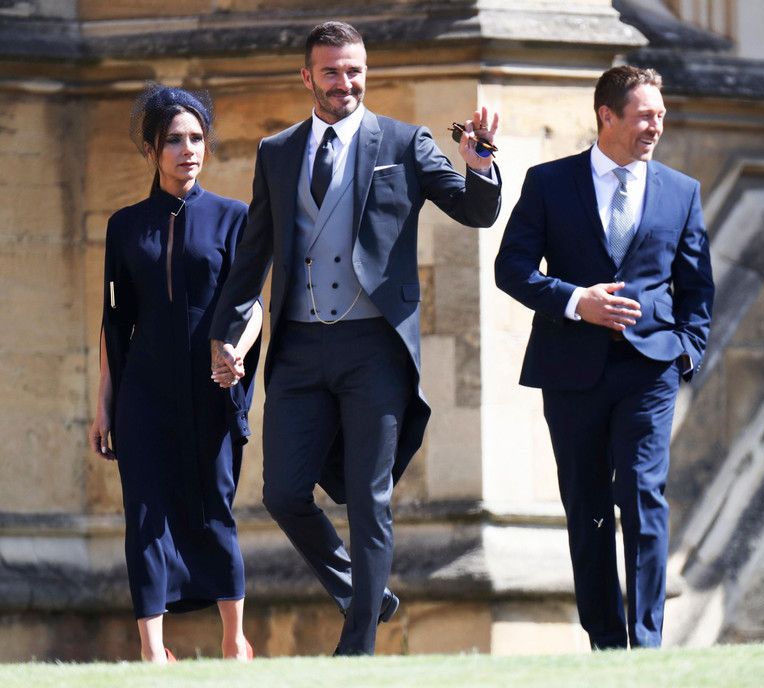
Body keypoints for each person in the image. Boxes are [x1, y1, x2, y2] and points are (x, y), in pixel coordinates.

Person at [208, 21, 501, 656]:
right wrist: (226, 334)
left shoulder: (404, 142)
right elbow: (253, 253)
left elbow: (475, 211)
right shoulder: (276, 151)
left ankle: (359, 645)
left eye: (355, 70)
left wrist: (480, 165)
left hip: (375, 348)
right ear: (307, 77)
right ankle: (364, 593)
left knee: (370, 499)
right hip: (297, 348)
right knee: (284, 493)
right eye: (333, 72)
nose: (346, 82)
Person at [494, 65, 713, 649]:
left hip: (650, 368)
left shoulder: (681, 191)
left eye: (660, 116)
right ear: (606, 116)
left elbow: (697, 288)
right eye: (644, 116)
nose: (655, 127)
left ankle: (646, 644)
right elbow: (511, 268)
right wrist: (575, 302)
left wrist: (687, 353)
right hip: (571, 370)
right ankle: (606, 643)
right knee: (587, 505)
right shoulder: (549, 183)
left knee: (643, 494)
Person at [88, 85, 262, 663]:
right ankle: (152, 651)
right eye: (174, 141)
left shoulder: (235, 217)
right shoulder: (124, 226)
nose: (188, 150)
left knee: (215, 502)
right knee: (144, 511)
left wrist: (236, 351)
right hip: (144, 391)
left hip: (212, 386)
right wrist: (104, 405)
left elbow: (252, 305)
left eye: (197, 138)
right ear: (151, 150)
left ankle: (234, 639)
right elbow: (115, 323)